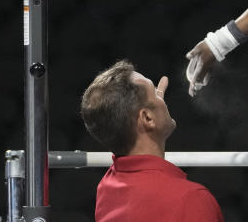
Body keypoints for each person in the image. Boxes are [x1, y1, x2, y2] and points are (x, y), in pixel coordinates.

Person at [81, 60, 224, 221]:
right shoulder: (191, 199)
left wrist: (155, 108)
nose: (160, 94)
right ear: (147, 118)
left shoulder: (107, 186)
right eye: (155, 93)